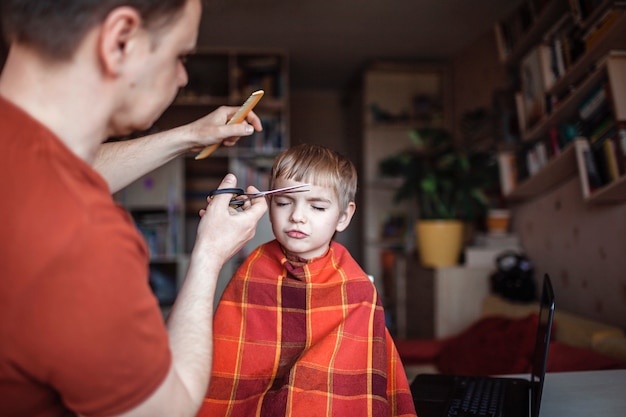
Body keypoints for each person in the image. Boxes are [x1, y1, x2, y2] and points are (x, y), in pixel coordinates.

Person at [0, 1, 268, 416]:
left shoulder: (24, 161)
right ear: (121, 39)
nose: (181, 76)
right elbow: (167, 409)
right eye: (180, 55)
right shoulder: (80, 237)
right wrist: (210, 253)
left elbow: (63, 169)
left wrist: (188, 136)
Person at [199, 144, 417, 416]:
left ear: (343, 216)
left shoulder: (356, 286)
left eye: (316, 206)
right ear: (268, 204)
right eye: (283, 202)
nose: (297, 216)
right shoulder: (254, 268)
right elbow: (231, 363)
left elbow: (352, 377)